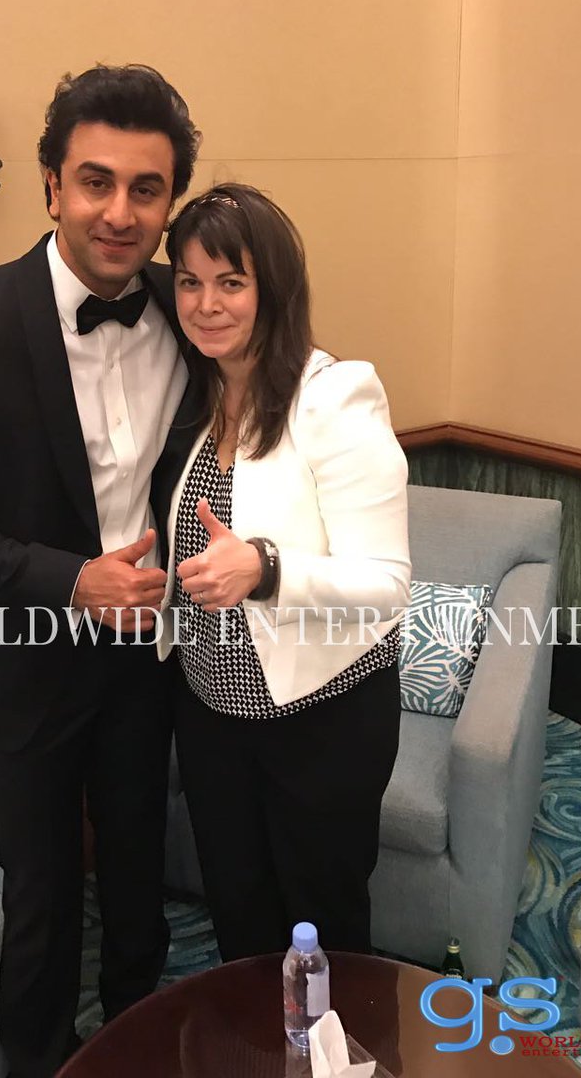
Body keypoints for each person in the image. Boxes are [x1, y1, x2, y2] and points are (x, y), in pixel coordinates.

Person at [0, 64, 202, 1078]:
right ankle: (38, 1058)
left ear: (171, 202)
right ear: (53, 184)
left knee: (141, 868)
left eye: (146, 189)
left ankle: (143, 1041)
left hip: (149, 652)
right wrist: (71, 581)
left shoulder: (191, 310)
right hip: (22, 655)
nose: (120, 212)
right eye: (96, 182)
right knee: (43, 887)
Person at [158, 183, 411, 961]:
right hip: (211, 713)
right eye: (190, 281)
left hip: (321, 719)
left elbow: (387, 585)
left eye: (231, 282)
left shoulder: (333, 398)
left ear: (273, 288)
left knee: (323, 926)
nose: (206, 304)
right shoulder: (196, 394)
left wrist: (266, 568)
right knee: (239, 916)